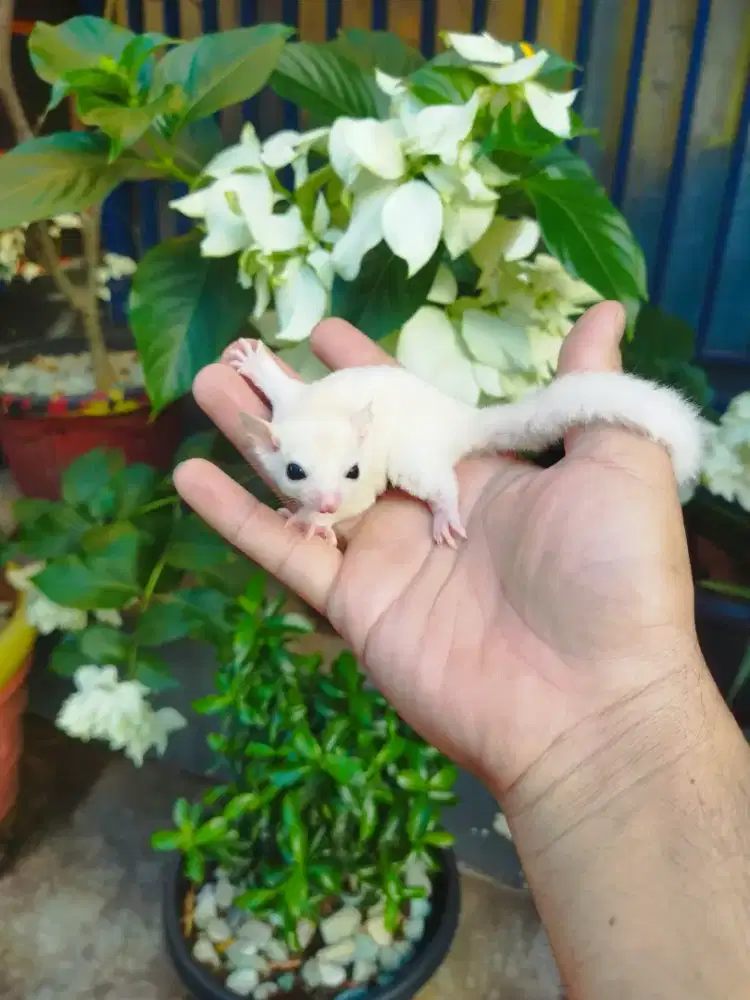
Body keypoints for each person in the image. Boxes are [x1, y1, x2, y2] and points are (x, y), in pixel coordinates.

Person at [174, 301, 750, 999]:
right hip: (361, 422)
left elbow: (351, 477)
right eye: (299, 480)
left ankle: (444, 494)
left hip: (422, 434)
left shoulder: (351, 444)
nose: (325, 503)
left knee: (410, 469)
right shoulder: (304, 425)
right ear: (271, 447)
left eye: (342, 482)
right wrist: (262, 368)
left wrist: (435, 501)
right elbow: (301, 415)